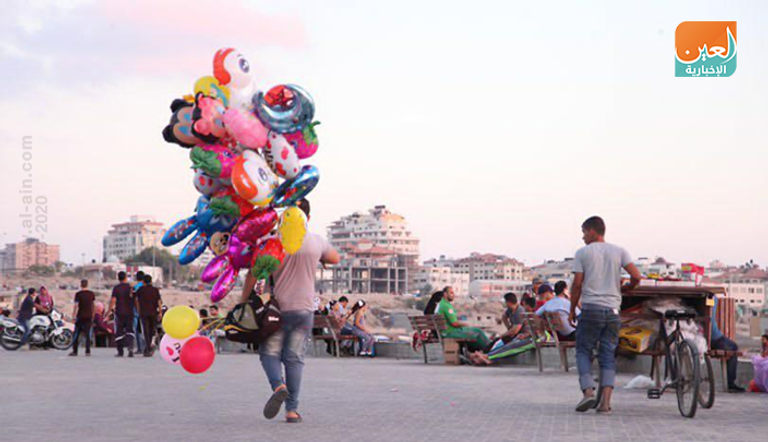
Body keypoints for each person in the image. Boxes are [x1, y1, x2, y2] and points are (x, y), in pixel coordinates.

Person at [241, 198, 340, 423]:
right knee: (294, 359)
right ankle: (292, 411)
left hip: (276, 310)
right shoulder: (316, 242)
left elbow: (253, 274)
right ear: (308, 218)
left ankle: (278, 385)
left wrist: (244, 301)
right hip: (304, 309)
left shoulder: (271, 242)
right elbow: (335, 257)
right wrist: (320, 258)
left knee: (269, 353)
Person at [568, 216, 642, 414]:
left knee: (583, 350)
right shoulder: (619, 251)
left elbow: (577, 285)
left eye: (584, 232)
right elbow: (636, 276)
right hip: (612, 312)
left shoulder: (582, 253)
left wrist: (571, 310)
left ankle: (588, 392)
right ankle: (605, 403)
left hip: (591, 309)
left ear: (592, 231)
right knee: (608, 355)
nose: (582, 237)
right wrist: (627, 288)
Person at [436, 286, 492, 354]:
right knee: (478, 332)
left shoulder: (442, 304)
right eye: (451, 293)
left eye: (453, 293)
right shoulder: (446, 306)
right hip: (450, 333)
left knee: (475, 333)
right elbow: (454, 323)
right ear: (445, 294)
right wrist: (465, 324)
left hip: (447, 332)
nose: (453, 295)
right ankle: (491, 349)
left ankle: (485, 351)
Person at [710, 296, 745, 392]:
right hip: (713, 338)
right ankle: (730, 383)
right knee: (733, 347)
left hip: (693, 337)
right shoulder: (712, 298)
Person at [107, 271, 135, 358]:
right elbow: (134, 298)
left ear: (118, 278)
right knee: (129, 330)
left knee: (119, 331)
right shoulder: (130, 287)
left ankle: (120, 351)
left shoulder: (116, 288)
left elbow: (113, 300)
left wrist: (109, 311)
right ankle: (130, 348)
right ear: (126, 277)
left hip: (119, 312)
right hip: (129, 312)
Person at [135, 274, 163, 357]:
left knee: (146, 331)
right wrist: (160, 312)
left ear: (143, 281)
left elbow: (137, 301)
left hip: (143, 313)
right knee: (151, 330)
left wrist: (138, 310)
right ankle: (149, 347)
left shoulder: (140, 290)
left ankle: (148, 348)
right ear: (151, 281)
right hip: (153, 313)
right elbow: (159, 302)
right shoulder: (155, 290)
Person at [69, 279, 96, 357]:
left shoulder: (78, 294)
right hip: (89, 316)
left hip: (80, 316)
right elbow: (93, 305)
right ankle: (88, 351)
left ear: (81, 285)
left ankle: (75, 351)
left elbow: (76, 306)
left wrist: (73, 315)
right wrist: (93, 314)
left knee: (77, 333)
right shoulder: (91, 294)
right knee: (87, 334)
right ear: (87, 284)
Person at [132, 271, 146, 355]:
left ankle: (140, 348)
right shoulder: (145, 287)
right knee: (145, 329)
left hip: (136, 311)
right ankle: (146, 347)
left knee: (138, 330)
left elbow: (134, 299)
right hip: (146, 310)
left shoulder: (135, 287)